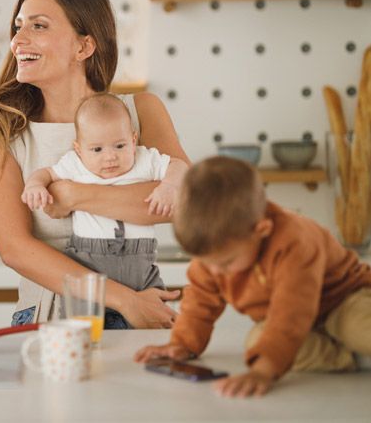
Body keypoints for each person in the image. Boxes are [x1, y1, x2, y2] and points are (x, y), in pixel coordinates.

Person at [0, 0, 187, 328]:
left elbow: (185, 200)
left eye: (38, 26)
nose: (18, 40)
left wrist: (73, 195)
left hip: (142, 304)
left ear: (83, 47)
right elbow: (16, 249)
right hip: (52, 315)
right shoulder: (2, 133)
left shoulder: (140, 111)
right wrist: (124, 300)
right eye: (18, 26)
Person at [134, 156, 371, 398]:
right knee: (258, 343)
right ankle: (354, 358)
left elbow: (291, 311)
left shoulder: (295, 241)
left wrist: (262, 373)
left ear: (262, 231)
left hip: (344, 300)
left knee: (357, 327)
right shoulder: (216, 253)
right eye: (206, 263)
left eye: (226, 263)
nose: (215, 272)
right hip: (297, 322)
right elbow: (200, 302)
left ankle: (354, 340)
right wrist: (181, 345)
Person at [21, 92, 188, 328]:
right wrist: (34, 185)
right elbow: (47, 173)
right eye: (97, 149)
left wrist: (169, 186)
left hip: (141, 269)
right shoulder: (76, 165)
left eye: (119, 146)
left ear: (133, 139)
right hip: (88, 263)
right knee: (81, 332)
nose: (110, 157)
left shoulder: (144, 159)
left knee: (155, 328)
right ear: (79, 149)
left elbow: (179, 166)